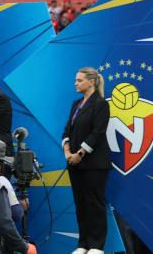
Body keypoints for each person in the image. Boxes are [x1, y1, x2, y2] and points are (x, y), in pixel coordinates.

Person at [62, 67, 110, 254]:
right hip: (74, 164)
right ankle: (83, 244)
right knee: (80, 203)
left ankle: (97, 246)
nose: (75, 83)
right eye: (76, 80)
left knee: (94, 203)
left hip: (95, 165)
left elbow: (97, 133)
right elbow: (67, 130)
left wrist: (79, 154)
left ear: (91, 82)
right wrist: (67, 152)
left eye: (79, 80)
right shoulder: (76, 104)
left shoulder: (101, 104)